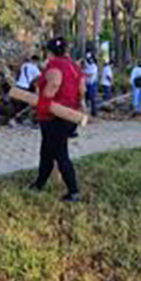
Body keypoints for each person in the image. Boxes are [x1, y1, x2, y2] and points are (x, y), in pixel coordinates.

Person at [30, 37, 84, 202]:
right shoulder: (75, 66)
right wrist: (76, 105)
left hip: (53, 116)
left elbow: (53, 84)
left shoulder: (54, 65)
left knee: (60, 153)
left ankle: (73, 192)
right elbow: (82, 89)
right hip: (69, 115)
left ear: (49, 51)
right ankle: (38, 184)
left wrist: (43, 103)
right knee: (46, 151)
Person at [13, 55, 41, 123]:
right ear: (36, 61)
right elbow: (40, 77)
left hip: (18, 84)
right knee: (25, 104)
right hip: (26, 86)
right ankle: (19, 118)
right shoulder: (35, 68)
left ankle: (15, 117)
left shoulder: (24, 65)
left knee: (17, 103)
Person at [83, 53, 99, 117]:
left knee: (92, 98)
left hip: (92, 84)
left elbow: (90, 74)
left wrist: (83, 74)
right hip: (86, 84)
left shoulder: (94, 66)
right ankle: (85, 111)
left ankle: (94, 112)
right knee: (85, 98)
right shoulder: (86, 65)